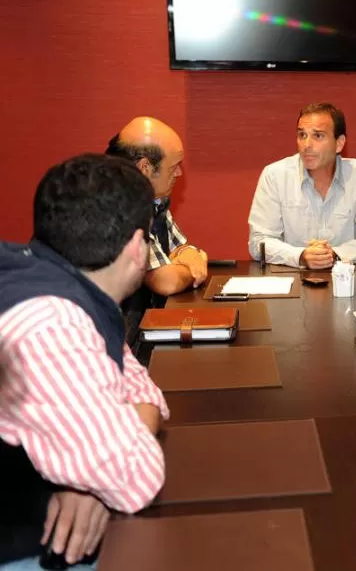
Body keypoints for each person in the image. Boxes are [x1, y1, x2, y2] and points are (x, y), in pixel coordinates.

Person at [0, 154, 169, 570]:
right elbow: (135, 477)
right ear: (136, 247)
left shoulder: (52, 280)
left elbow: (139, 385)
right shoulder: (52, 325)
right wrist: (98, 472)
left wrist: (90, 478)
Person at [248, 103, 356, 269]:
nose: (306, 145)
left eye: (318, 136)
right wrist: (301, 256)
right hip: (293, 282)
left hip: (347, 281)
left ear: (339, 143)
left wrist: (334, 255)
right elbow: (259, 242)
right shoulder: (274, 175)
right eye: (302, 135)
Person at [106, 117, 208, 296]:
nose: (179, 173)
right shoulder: (117, 208)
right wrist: (194, 270)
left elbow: (180, 247)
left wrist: (190, 256)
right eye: (173, 167)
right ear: (145, 167)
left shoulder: (154, 200)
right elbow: (165, 282)